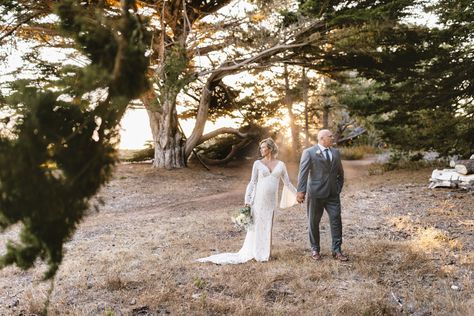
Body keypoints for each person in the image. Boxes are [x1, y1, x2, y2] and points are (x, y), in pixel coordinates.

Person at [197, 138, 297, 264]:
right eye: (260, 147)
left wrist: (297, 193)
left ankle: (267, 253)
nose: (261, 150)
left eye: (263, 147)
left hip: (271, 201)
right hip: (258, 200)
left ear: (270, 149)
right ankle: (257, 252)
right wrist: (247, 200)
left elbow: (287, 182)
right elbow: (252, 182)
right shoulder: (257, 164)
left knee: (268, 226)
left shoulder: (281, 165)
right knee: (257, 226)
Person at [296, 129, 348, 261]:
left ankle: (337, 250)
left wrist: (338, 188)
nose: (332, 138)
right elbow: (303, 173)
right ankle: (315, 249)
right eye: (330, 136)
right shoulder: (309, 152)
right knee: (313, 222)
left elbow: (340, 173)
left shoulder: (335, 152)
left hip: (332, 194)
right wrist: (301, 191)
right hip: (315, 194)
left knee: (336, 220)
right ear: (321, 139)